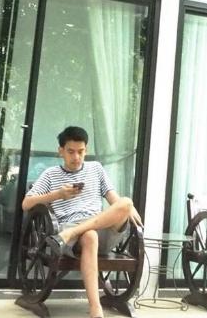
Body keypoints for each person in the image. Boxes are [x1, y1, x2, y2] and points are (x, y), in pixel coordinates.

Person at [22, 125, 142, 318]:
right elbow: (26, 203)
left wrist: (127, 208)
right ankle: (96, 309)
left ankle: (74, 231)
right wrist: (58, 194)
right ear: (61, 150)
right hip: (74, 236)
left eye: (81, 152)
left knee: (126, 202)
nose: (76, 157)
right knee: (90, 236)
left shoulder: (96, 168)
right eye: (71, 152)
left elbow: (114, 200)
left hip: (99, 229)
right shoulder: (51, 174)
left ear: (86, 150)